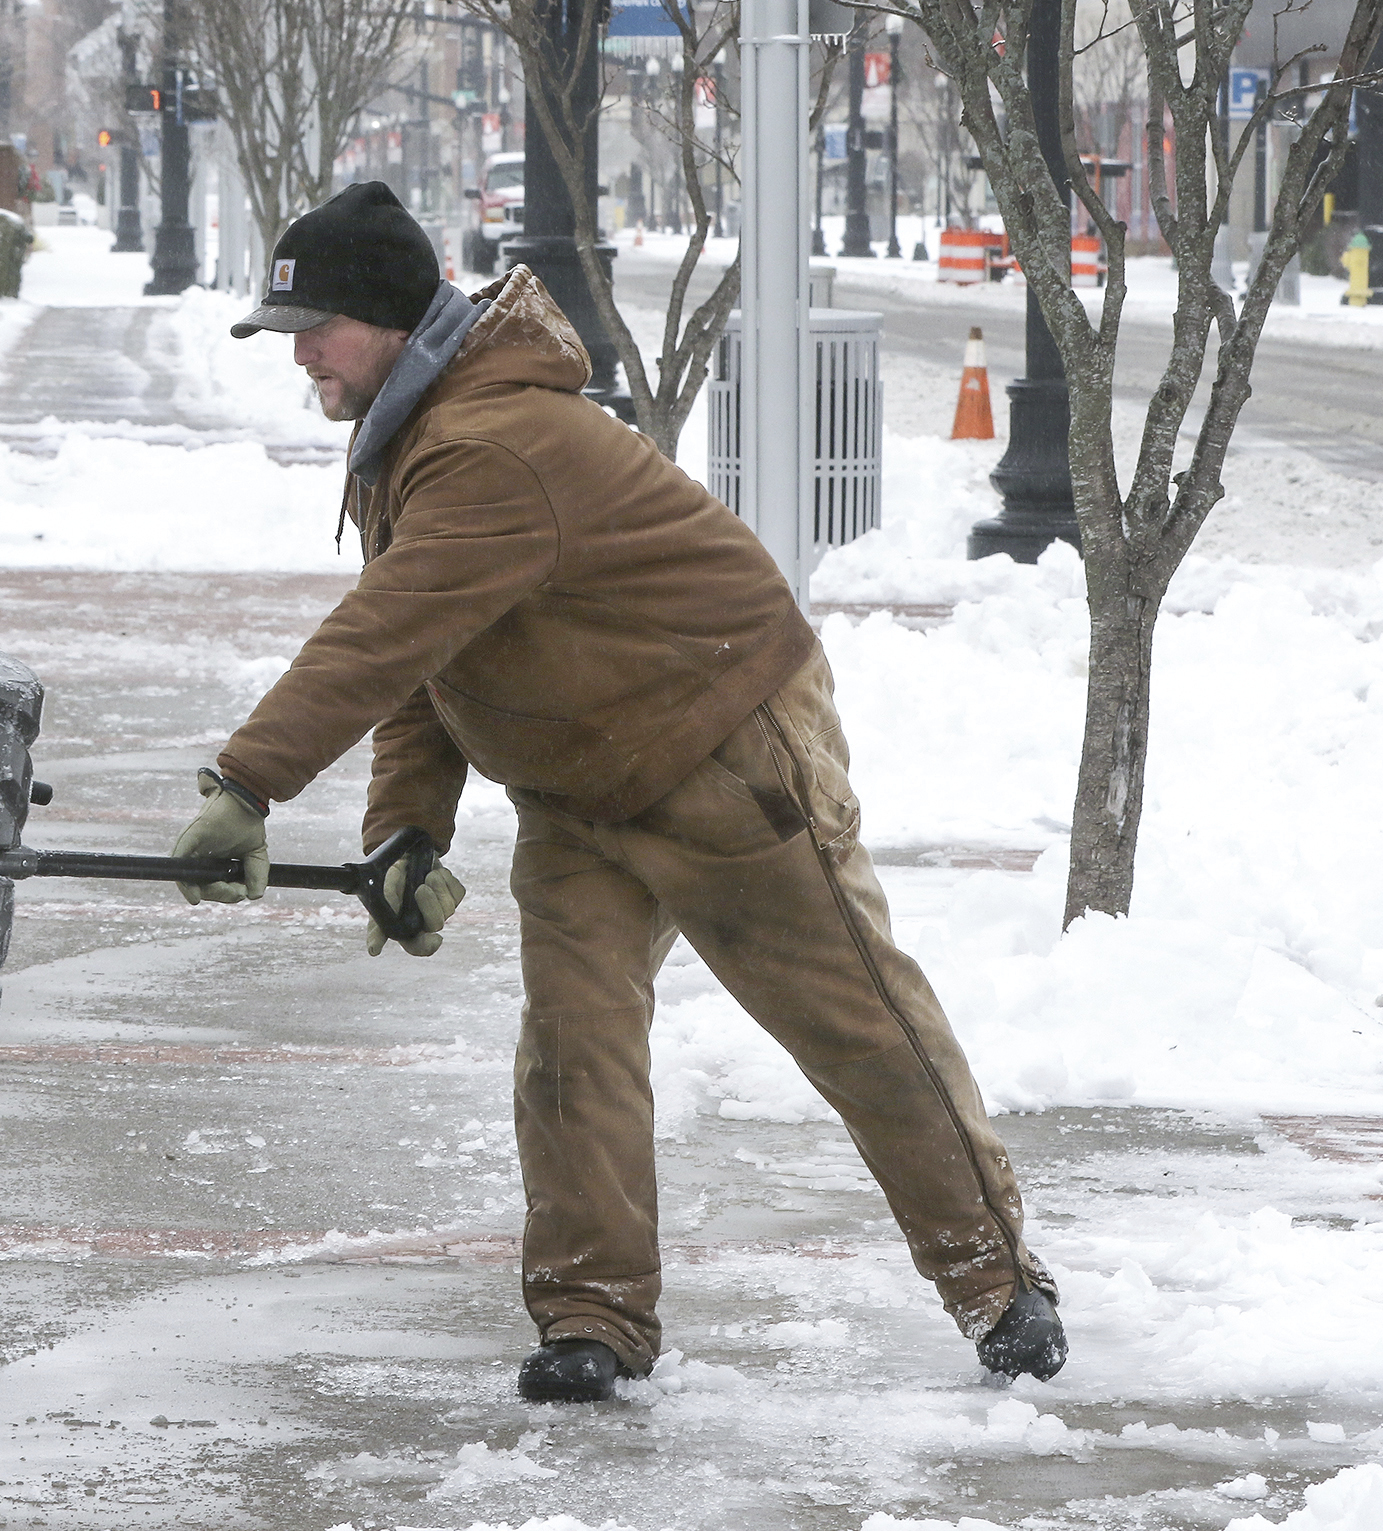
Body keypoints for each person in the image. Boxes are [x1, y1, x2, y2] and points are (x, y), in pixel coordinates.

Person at [169, 182, 1065, 1403]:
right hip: (580, 782)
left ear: (382, 320)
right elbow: (430, 654)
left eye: (313, 328)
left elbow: (384, 630)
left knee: (850, 1020)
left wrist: (248, 781)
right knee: (572, 1053)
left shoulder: (491, 442)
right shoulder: (413, 430)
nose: (301, 356)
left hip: (721, 747)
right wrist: (405, 832)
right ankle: (593, 1313)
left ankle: (998, 1279)